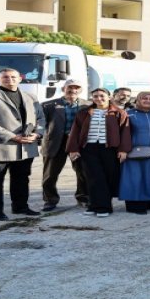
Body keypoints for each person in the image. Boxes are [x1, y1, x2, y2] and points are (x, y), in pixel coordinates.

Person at [0, 68, 46, 221]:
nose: (10, 80)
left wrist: (38, 133)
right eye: (5, 77)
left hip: (25, 146)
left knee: (21, 178)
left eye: (13, 77)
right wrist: (12, 136)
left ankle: (20, 206)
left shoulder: (30, 97)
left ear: (20, 78)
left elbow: (40, 118)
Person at [66, 88, 131, 217]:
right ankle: (93, 205)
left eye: (102, 96)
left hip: (109, 149)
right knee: (92, 178)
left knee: (106, 178)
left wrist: (123, 150)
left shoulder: (119, 112)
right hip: (89, 149)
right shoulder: (84, 112)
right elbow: (75, 132)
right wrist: (73, 149)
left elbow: (125, 132)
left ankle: (104, 207)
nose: (99, 98)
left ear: (109, 96)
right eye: (95, 96)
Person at [40, 79, 91, 212]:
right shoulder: (49, 105)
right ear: (63, 89)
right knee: (50, 174)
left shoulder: (88, 105)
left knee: (83, 172)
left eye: (76, 88)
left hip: (79, 143)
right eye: (70, 87)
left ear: (80, 90)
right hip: (56, 142)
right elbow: (40, 124)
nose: (73, 90)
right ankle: (50, 200)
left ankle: (83, 197)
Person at [119, 91, 150, 214]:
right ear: (137, 100)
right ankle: (134, 204)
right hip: (134, 151)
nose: (148, 100)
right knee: (134, 177)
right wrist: (123, 150)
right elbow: (122, 133)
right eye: (144, 98)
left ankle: (149, 200)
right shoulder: (128, 114)